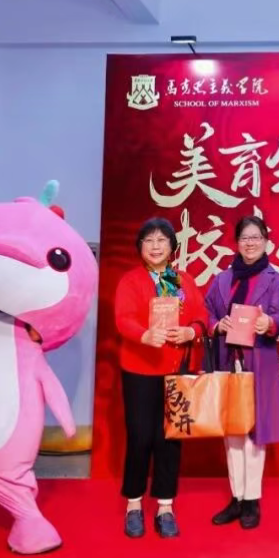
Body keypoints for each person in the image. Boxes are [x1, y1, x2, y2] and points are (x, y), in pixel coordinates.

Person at [114, 217, 207, 539]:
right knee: (140, 437)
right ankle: (134, 503)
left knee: (170, 439)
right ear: (140, 246)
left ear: (172, 246)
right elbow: (123, 318)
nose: (155, 246)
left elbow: (201, 316)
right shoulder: (131, 280)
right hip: (139, 370)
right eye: (149, 240)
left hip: (176, 370)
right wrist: (143, 335)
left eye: (162, 240)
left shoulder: (184, 280)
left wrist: (191, 331)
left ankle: (165, 506)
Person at [205, 216, 279, 529]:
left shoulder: (276, 279)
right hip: (228, 360)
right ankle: (236, 497)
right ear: (237, 243)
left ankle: (252, 499)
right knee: (232, 432)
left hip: (258, 362)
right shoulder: (222, 279)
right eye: (245, 238)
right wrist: (217, 325)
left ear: (266, 241)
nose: (250, 243)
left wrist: (270, 323)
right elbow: (207, 310)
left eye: (256, 237)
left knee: (254, 432)